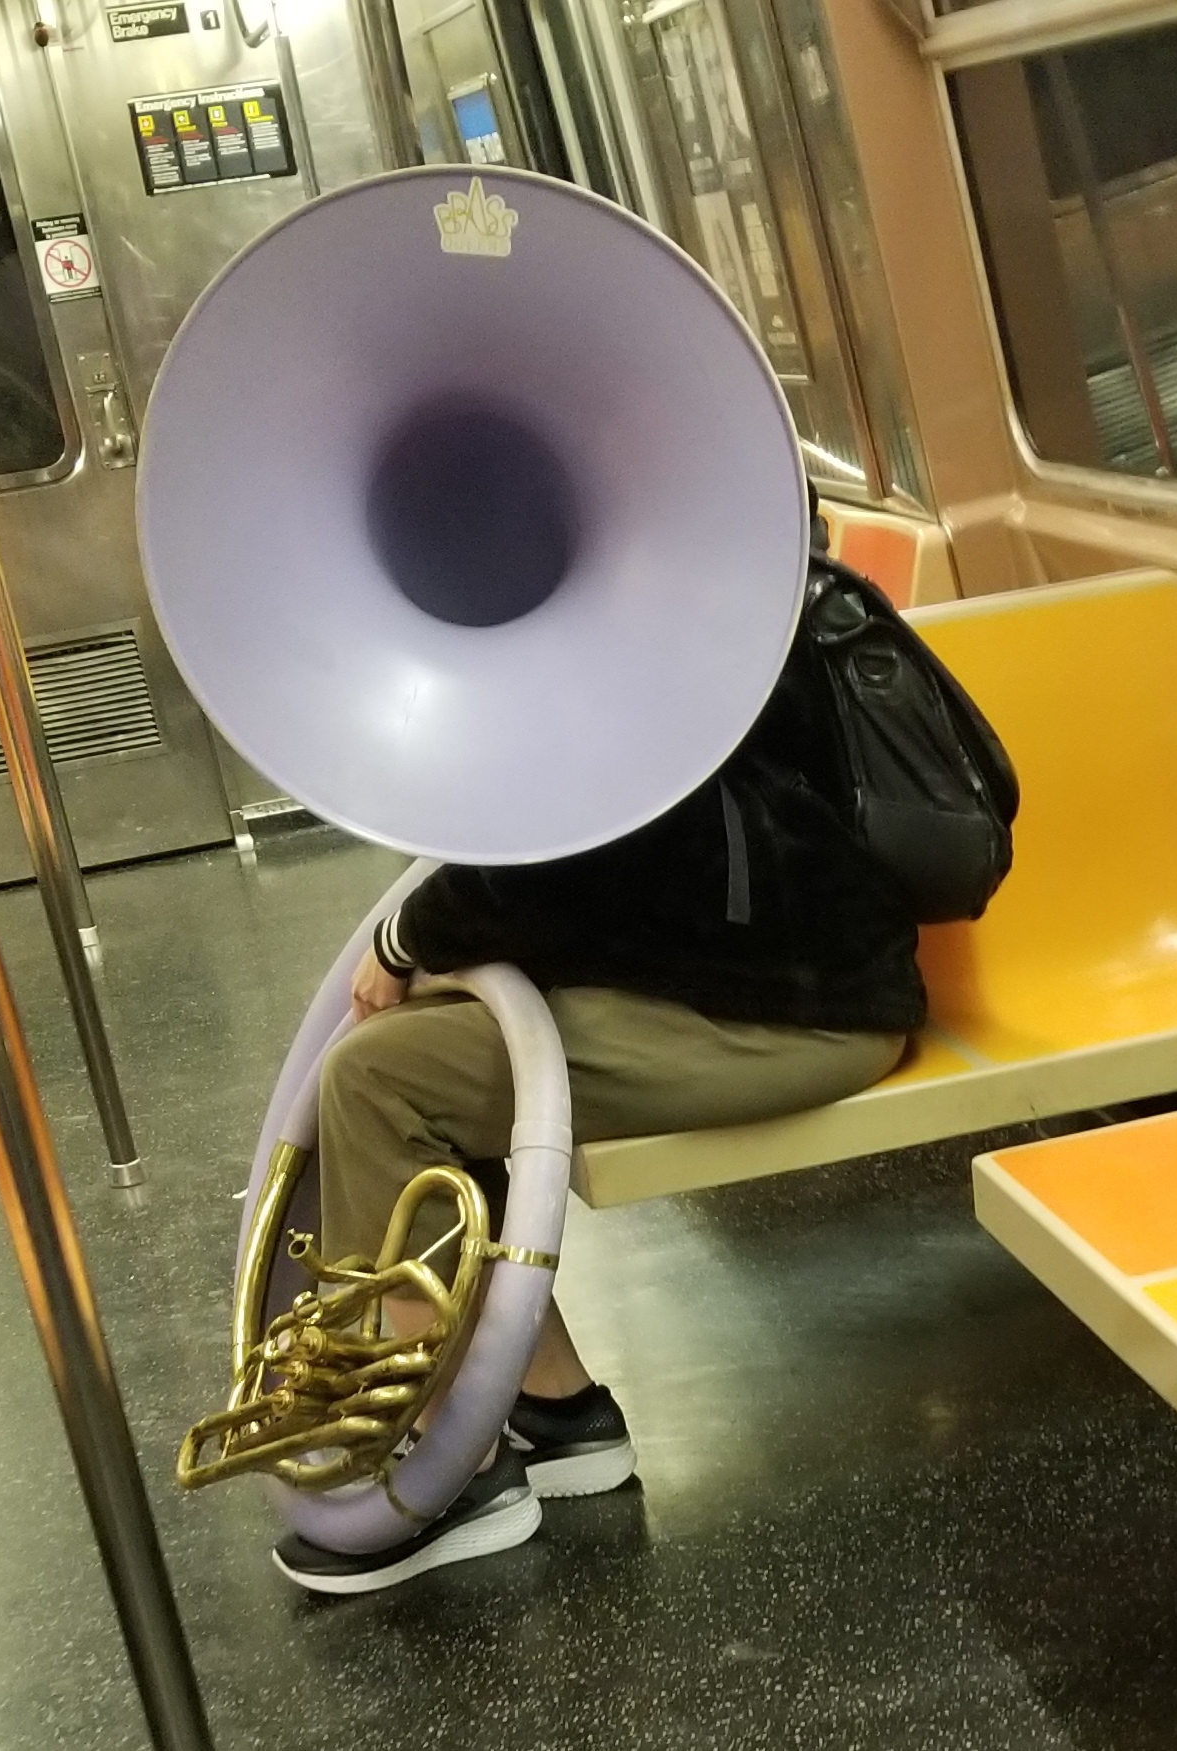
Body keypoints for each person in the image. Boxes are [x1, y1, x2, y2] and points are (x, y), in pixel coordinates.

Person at [273, 534, 928, 1595]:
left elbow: (555, 875)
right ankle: (553, 1402)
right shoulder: (686, 626)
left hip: (791, 1017)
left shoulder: (627, 675)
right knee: (424, 1056)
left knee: (379, 1079)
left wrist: (405, 943)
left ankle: (450, 1464)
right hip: (776, 980)